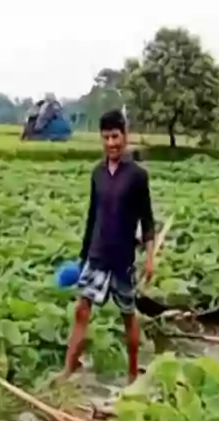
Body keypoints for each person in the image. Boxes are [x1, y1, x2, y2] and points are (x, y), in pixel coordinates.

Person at [61, 110, 158, 385]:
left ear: (125, 137)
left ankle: (131, 374)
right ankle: (68, 369)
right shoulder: (97, 174)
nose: (111, 143)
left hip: (122, 258)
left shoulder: (137, 175)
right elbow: (92, 217)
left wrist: (150, 259)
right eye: (105, 138)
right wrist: (83, 258)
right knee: (81, 310)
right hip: (97, 254)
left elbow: (147, 219)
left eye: (115, 137)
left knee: (128, 316)